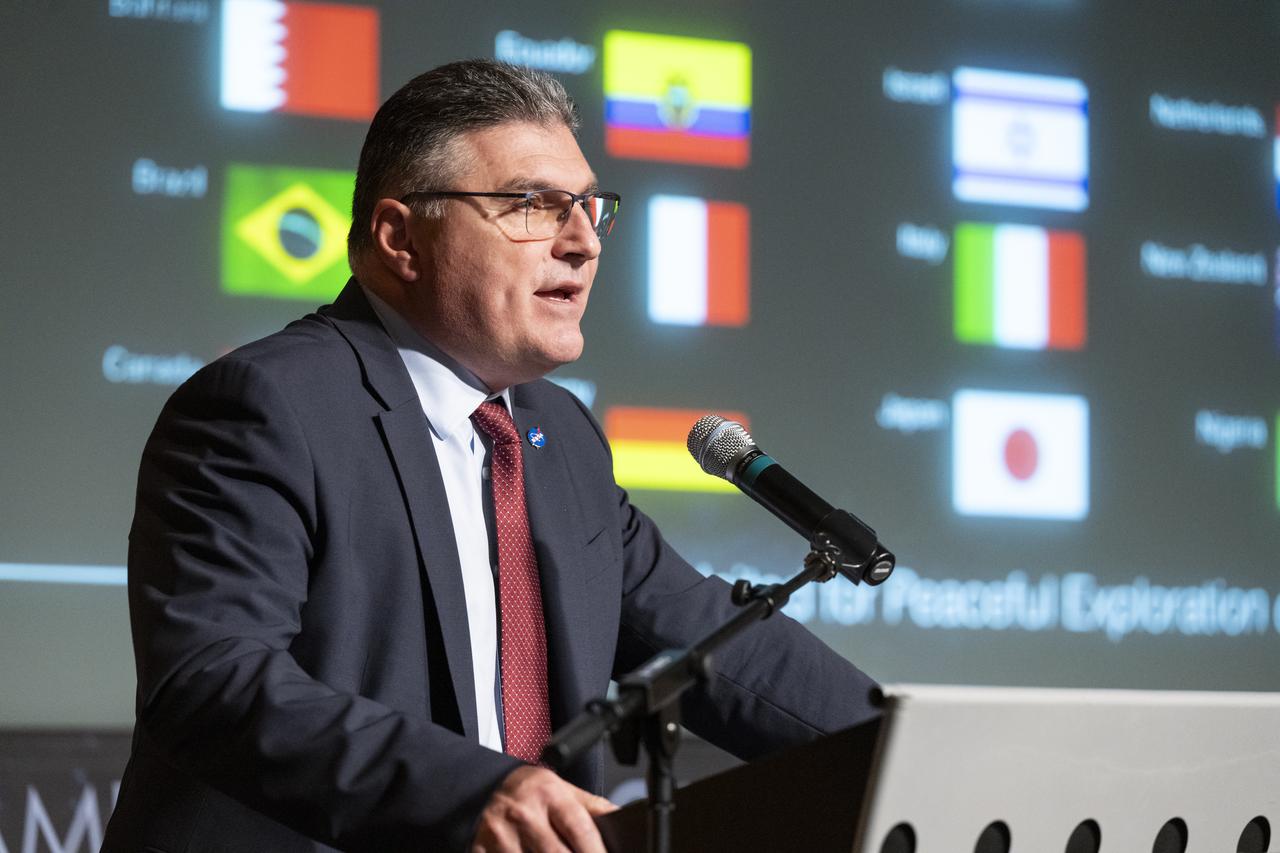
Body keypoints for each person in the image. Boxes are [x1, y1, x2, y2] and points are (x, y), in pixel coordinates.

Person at [103, 60, 880, 852]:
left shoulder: (560, 436)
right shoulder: (266, 406)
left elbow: (712, 643)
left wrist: (901, 745)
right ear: (400, 237)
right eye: (533, 205)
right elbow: (213, 681)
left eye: (589, 207)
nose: (582, 242)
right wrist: (477, 791)